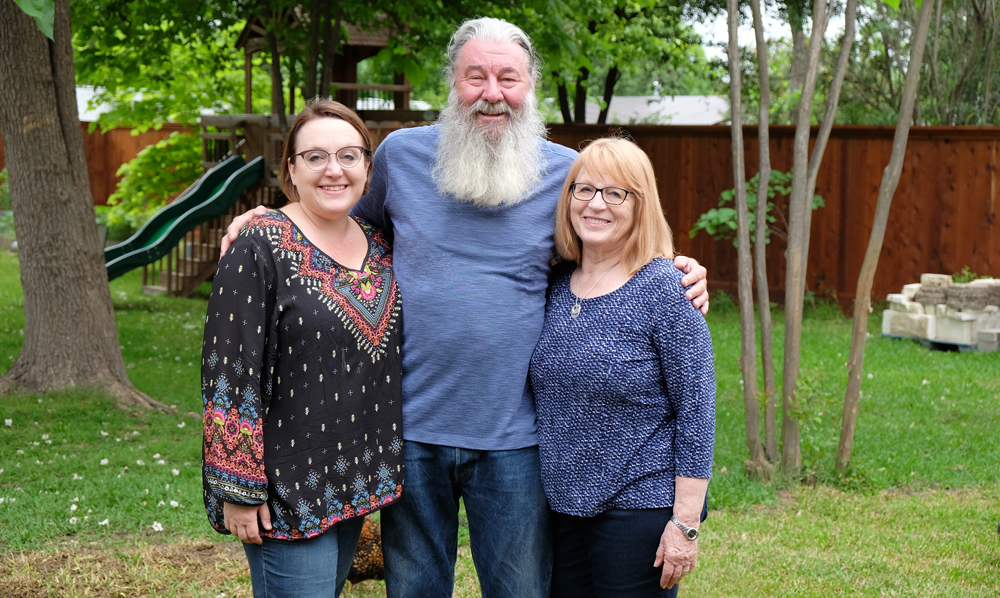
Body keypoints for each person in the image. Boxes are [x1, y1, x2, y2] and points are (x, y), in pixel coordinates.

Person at [221, 18, 710, 598]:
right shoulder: (402, 157)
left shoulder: (562, 174)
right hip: (410, 431)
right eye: (475, 76)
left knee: (522, 590)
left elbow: (612, 226)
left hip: (516, 440)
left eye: (508, 77)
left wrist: (674, 265)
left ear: (531, 87)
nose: (492, 92)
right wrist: (274, 219)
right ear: (453, 83)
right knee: (415, 588)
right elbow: (341, 223)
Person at [201, 99, 404, 598]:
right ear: (291, 169)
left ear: (367, 168)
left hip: (353, 478)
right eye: (315, 157)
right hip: (283, 488)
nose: (333, 170)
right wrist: (238, 489)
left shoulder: (381, 245)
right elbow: (229, 370)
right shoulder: (259, 246)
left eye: (348, 156)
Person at [530, 138, 715, 598]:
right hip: (563, 509)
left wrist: (686, 525)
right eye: (584, 189)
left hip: (640, 509)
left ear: (640, 206)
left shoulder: (669, 290)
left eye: (616, 193)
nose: (596, 204)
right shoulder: (554, 283)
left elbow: (697, 411)